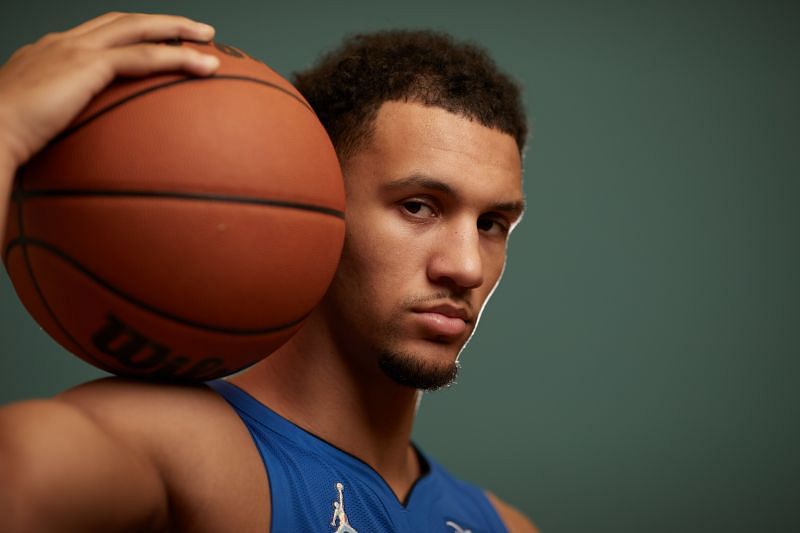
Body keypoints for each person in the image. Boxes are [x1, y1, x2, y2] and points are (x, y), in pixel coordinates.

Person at [0, 12, 537, 532]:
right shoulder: (181, 453)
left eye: (492, 223)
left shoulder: (502, 525)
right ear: (319, 202)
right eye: (418, 206)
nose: (465, 267)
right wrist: (5, 124)